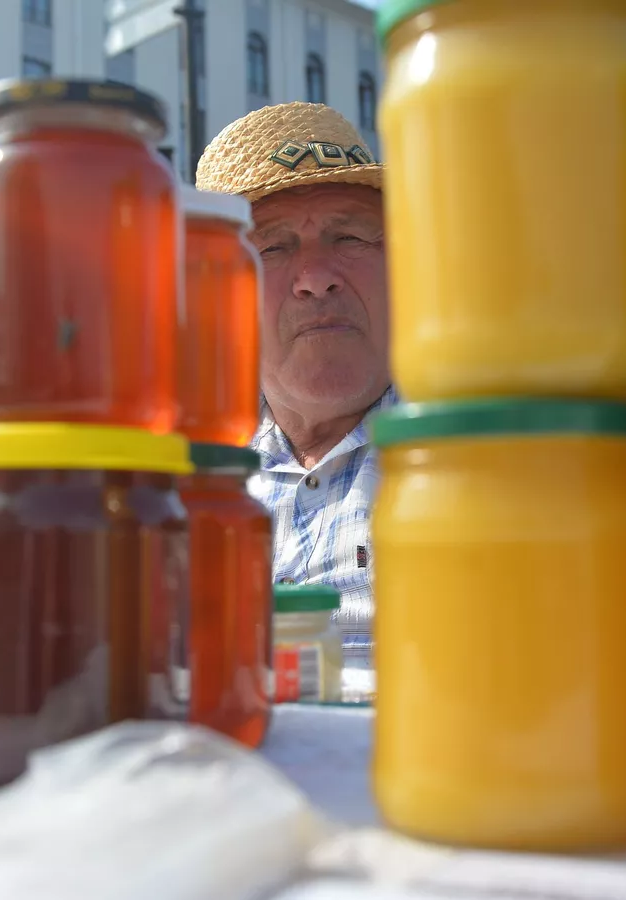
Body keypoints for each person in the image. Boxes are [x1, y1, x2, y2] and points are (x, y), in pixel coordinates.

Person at [196, 103, 392, 686]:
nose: (316, 278)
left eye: (349, 236)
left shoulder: (483, 451)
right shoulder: (179, 483)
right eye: (272, 248)